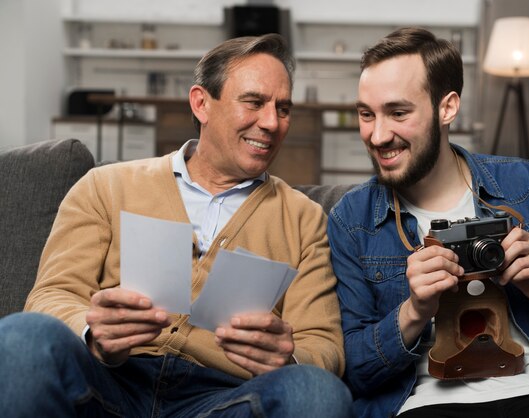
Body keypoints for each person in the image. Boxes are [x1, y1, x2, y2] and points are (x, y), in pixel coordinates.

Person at [0, 34, 351, 417]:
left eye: (283, 109)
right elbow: (50, 296)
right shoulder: (105, 186)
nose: (271, 123)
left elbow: (324, 345)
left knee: (318, 394)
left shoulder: (303, 218)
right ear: (201, 103)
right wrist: (91, 329)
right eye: (254, 102)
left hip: (223, 400)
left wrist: (289, 358)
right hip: (107, 383)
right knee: (22, 337)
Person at [327, 27, 529, 418]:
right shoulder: (352, 220)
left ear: (447, 108)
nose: (378, 135)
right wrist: (415, 311)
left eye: (398, 113)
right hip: (436, 405)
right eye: (366, 114)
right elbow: (355, 371)